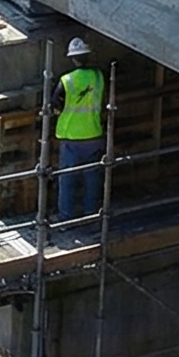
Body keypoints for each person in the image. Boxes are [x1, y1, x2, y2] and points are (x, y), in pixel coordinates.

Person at [53, 37, 107, 222]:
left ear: (73, 59)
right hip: (94, 134)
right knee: (92, 178)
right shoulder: (98, 77)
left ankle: (66, 218)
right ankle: (91, 214)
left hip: (71, 138)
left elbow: (55, 104)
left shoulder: (67, 80)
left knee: (67, 179)